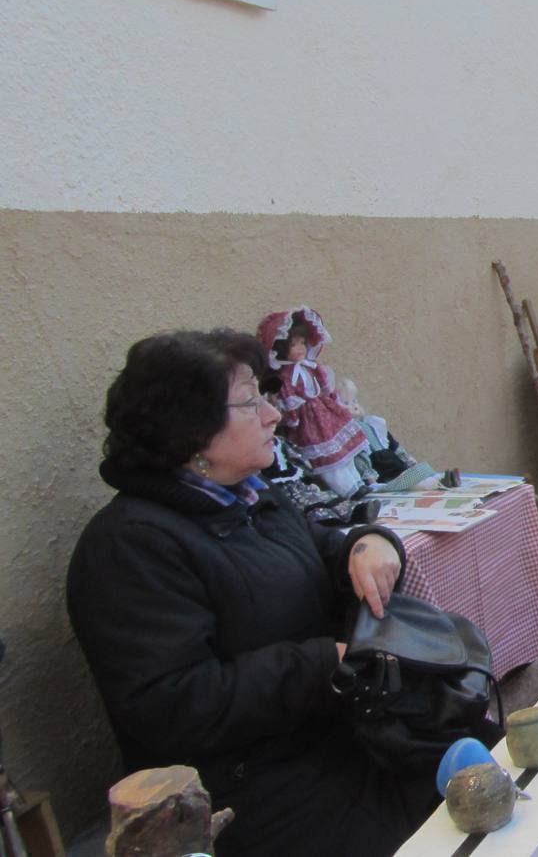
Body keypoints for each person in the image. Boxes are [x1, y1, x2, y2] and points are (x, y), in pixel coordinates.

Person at [68, 330, 437, 856]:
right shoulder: (129, 548)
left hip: (340, 734)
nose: (274, 414)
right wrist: (321, 665)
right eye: (250, 402)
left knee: (484, 763)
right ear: (192, 433)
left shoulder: (249, 497)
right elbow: (173, 705)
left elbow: (318, 551)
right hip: (244, 790)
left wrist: (369, 543)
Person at [258, 307, 370, 496]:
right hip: (309, 422)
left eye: (303, 343)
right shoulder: (286, 376)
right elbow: (289, 400)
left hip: (325, 414)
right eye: (295, 344)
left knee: (341, 449)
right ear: (283, 347)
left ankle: (358, 481)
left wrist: (333, 401)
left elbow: (323, 387)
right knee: (326, 458)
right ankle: (347, 489)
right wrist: (292, 419)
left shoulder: (310, 367)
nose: (302, 347)